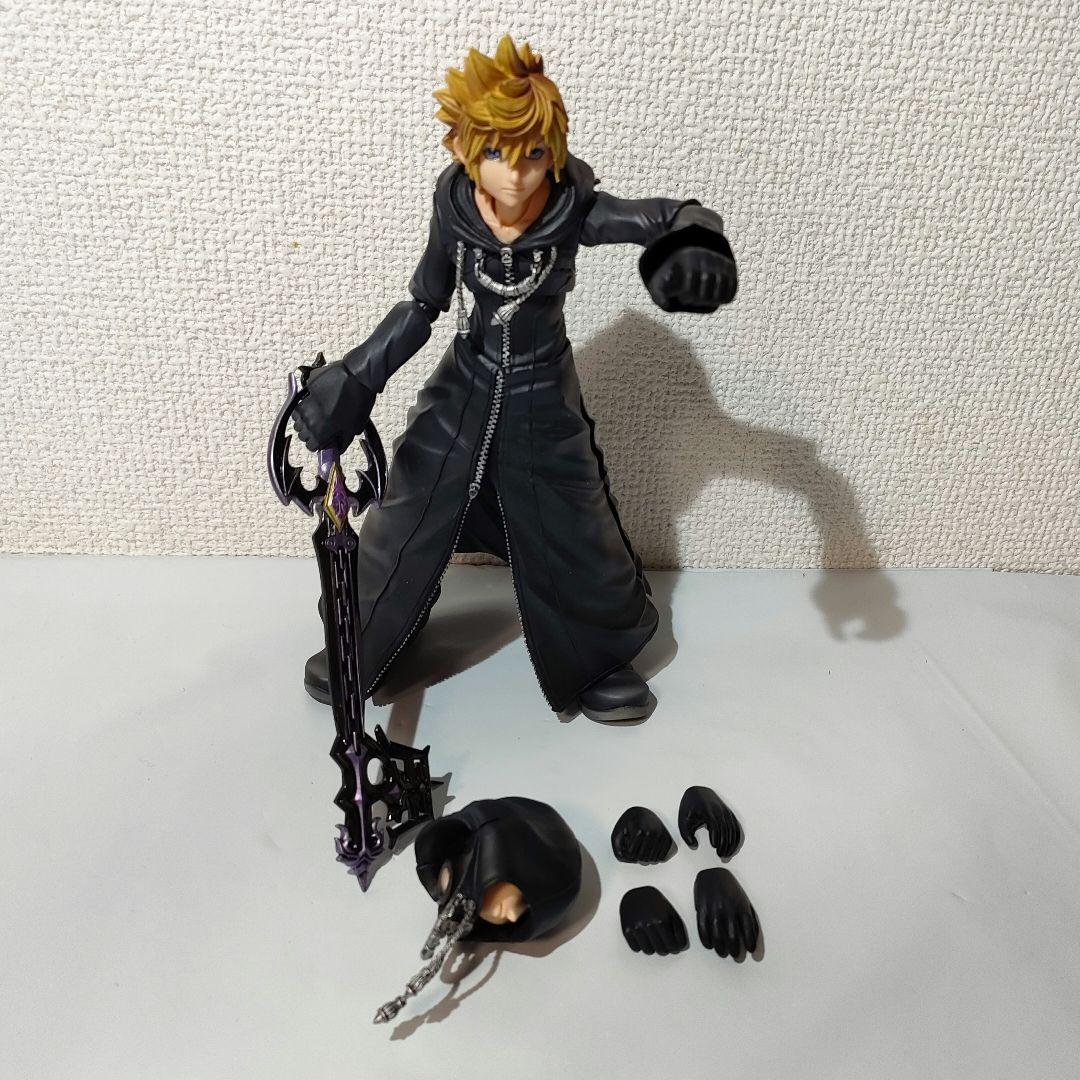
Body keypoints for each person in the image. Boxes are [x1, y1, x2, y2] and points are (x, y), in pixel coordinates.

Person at [293, 34, 737, 721]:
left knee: (570, 520)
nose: (519, 175)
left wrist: (695, 239)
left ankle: (596, 659)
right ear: (464, 149)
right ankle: (367, 637)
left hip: (542, 391)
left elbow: (661, 216)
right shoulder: (454, 209)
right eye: (497, 153)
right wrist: (357, 377)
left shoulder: (571, 208)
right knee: (409, 501)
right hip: (464, 382)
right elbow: (422, 304)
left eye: (533, 153)